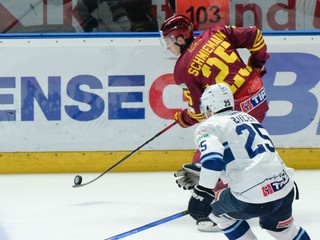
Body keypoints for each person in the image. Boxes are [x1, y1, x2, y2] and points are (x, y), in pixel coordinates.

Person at [160, 14, 270, 231]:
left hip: (234, 111)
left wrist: (184, 118)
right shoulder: (216, 32)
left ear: (181, 39)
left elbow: (201, 112)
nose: (167, 47)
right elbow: (255, 35)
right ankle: (257, 193)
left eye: (169, 41)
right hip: (259, 100)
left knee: (208, 157)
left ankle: (214, 210)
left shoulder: (182, 69)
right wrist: (256, 65)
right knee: (239, 151)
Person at [187, 83, 310, 239]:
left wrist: (201, 192)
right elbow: (245, 158)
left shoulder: (208, 126)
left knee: (214, 212)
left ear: (209, 107)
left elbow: (213, 161)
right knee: (284, 232)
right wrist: (201, 171)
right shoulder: (248, 118)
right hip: (284, 187)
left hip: (252, 196)